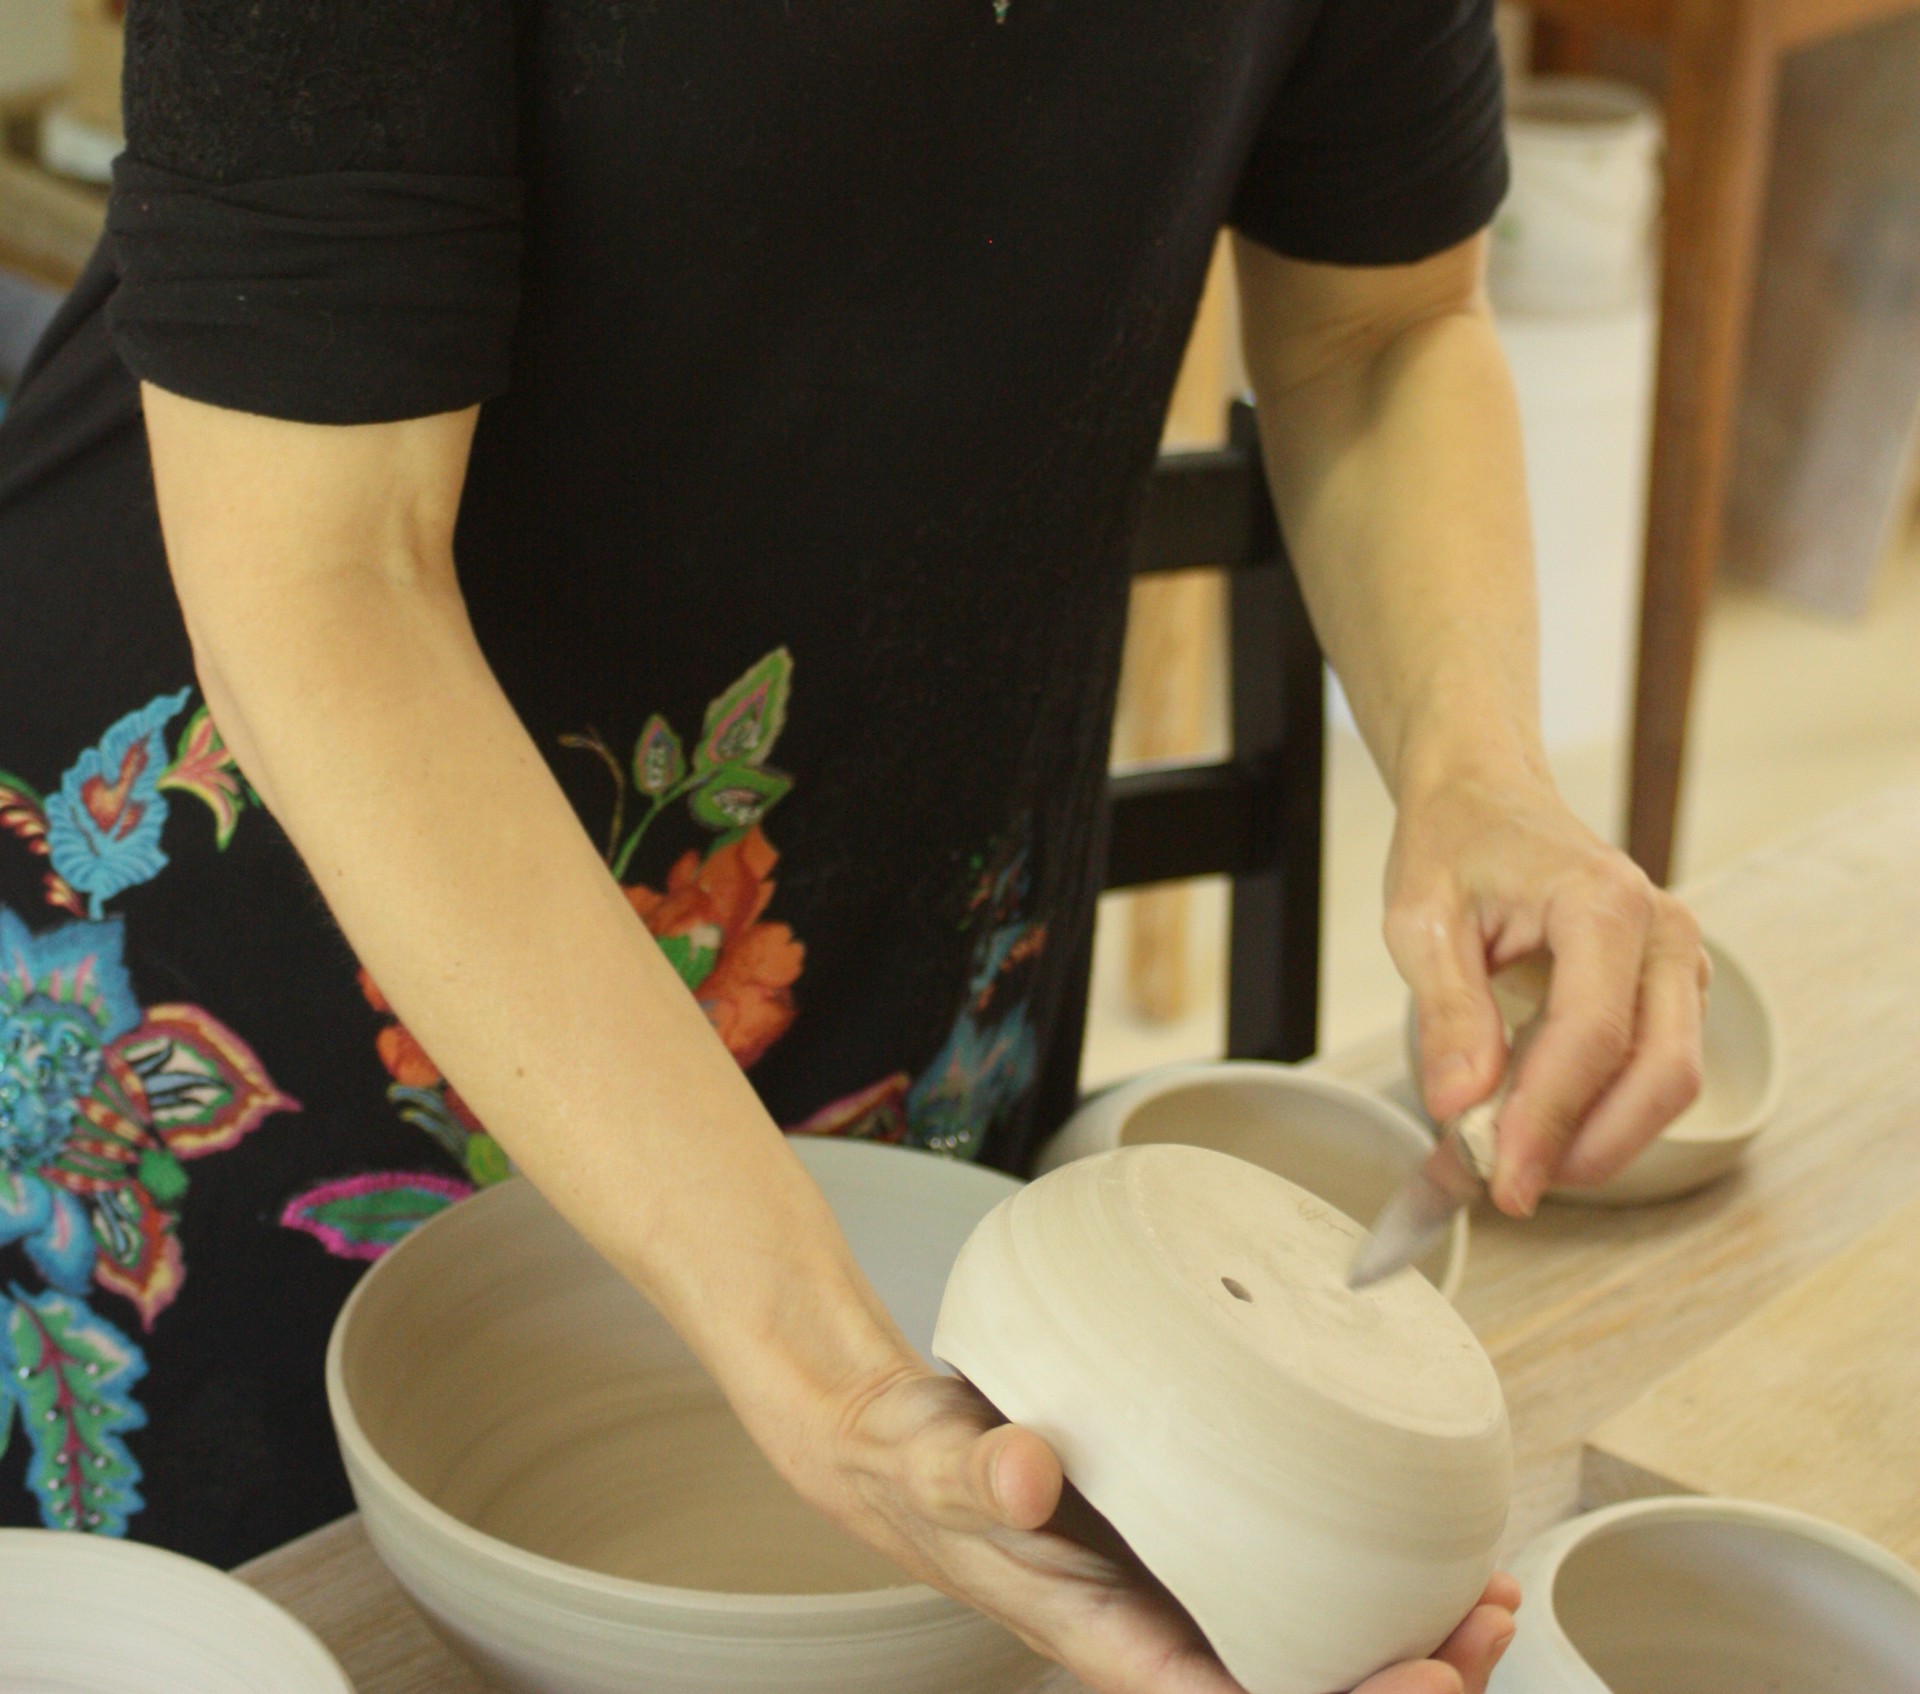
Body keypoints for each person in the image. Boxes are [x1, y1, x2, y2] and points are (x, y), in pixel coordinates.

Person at [0, 0, 1706, 1687]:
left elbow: (1384, 329)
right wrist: (825, 1368)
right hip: (252, 969)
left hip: (890, 938)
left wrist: (1480, 773)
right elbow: (328, 579)